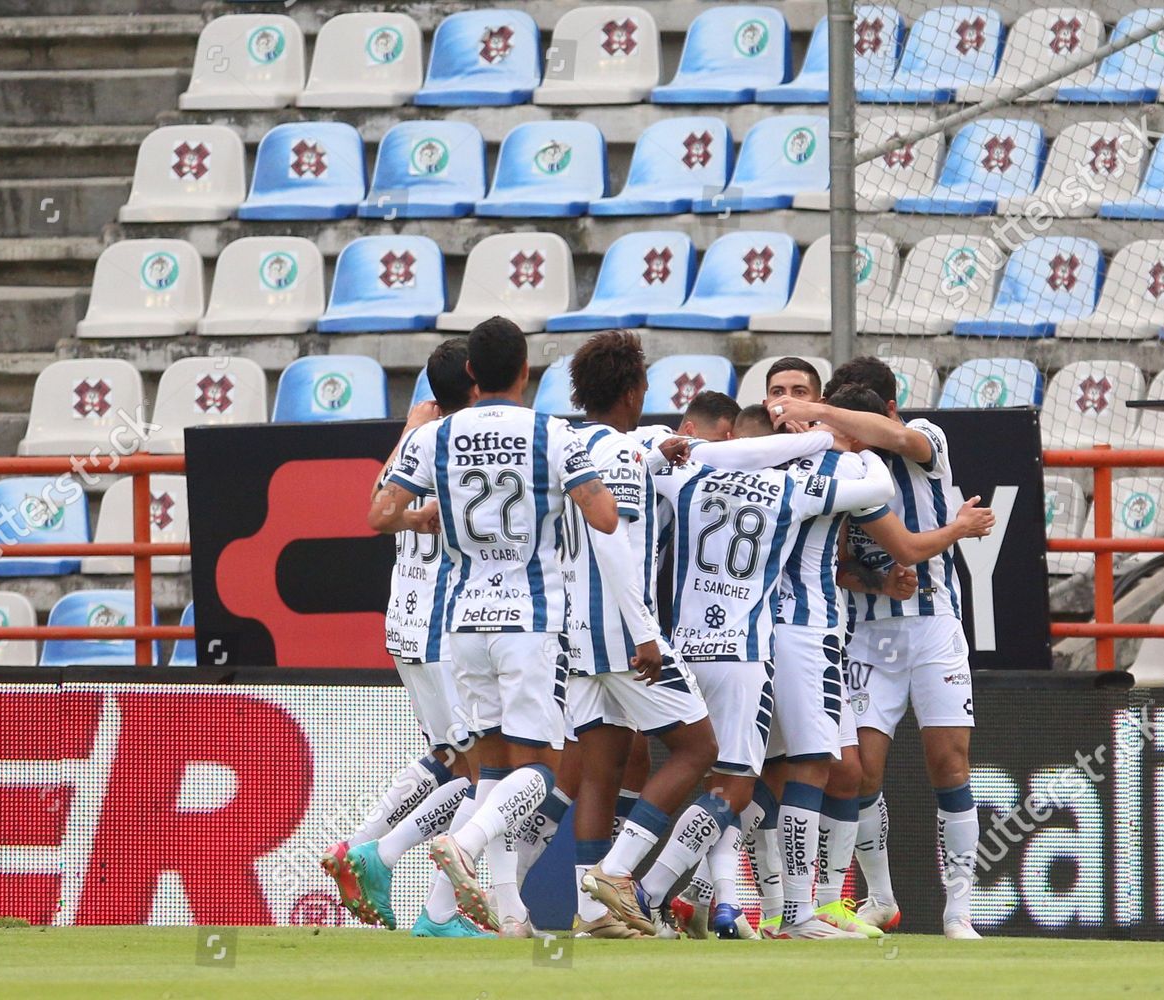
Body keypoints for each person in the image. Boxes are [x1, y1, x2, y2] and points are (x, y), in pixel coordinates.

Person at [369, 317, 661, 937]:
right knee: (544, 769)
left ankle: (497, 907)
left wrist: (426, 518)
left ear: (470, 373)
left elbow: (379, 513)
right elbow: (606, 518)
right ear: (526, 371)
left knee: (495, 769)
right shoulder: (553, 433)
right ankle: (467, 844)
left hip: (461, 622)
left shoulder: (436, 437)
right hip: (530, 621)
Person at [593, 422, 898, 938]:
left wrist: (692, 449)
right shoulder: (791, 490)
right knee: (735, 788)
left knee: (705, 775)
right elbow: (879, 489)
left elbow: (647, 455)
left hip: (684, 650)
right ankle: (642, 886)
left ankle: (654, 892)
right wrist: (844, 443)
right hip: (743, 654)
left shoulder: (689, 476)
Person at [768, 355, 989, 940]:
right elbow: (827, 564)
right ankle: (880, 898)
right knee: (861, 772)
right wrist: (872, 581)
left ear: (888, 408)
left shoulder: (925, 442)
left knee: (950, 763)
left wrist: (814, 410)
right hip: (866, 633)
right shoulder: (832, 465)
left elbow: (893, 436)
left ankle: (958, 908)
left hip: (934, 628)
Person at [556, 331, 720, 939]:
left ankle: (592, 915)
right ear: (632, 391)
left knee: (601, 768)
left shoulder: (574, 443)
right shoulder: (620, 454)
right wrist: (646, 632)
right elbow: (615, 543)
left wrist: (659, 452)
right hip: (621, 634)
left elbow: (629, 466)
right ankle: (619, 873)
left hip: (575, 637)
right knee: (699, 747)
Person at [323, 338, 485, 938]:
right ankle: (430, 904)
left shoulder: (419, 437)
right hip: (445, 627)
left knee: (448, 759)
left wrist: (408, 437)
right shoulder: (470, 444)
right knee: (482, 773)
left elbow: (377, 506)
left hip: (405, 623)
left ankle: (361, 848)